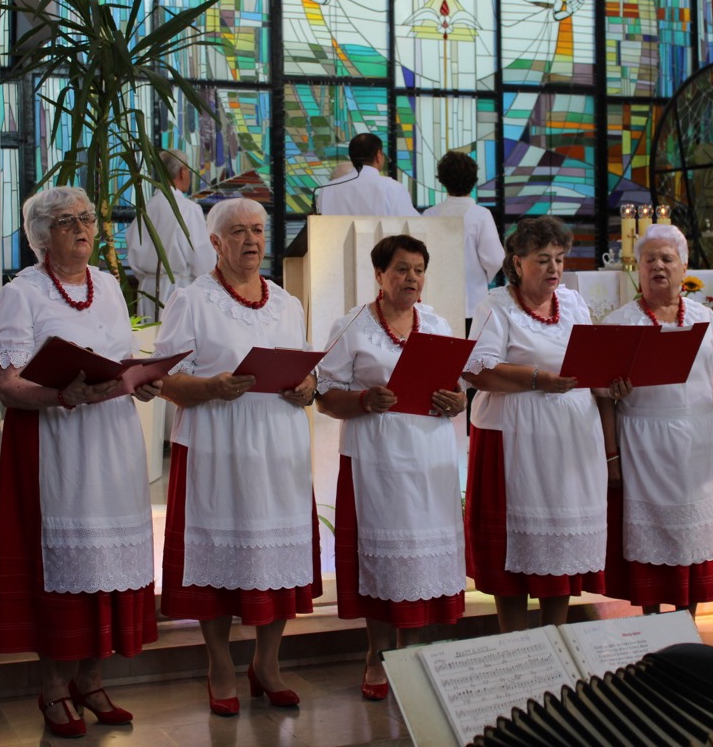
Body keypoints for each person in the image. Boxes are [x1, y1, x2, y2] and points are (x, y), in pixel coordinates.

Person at [0, 186, 161, 738]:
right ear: (41, 236)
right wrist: (61, 397)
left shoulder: (108, 286)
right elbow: (9, 386)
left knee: (107, 566)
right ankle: (55, 686)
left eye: (87, 218)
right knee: (63, 570)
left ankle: (92, 678)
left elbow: (118, 357)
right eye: (67, 221)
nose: (83, 228)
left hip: (110, 438)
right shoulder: (24, 292)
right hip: (57, 444)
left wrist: (140, 380)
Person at [152, 197, 321, 716]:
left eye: (257, 230)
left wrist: (308, 387)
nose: (251, 240)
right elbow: (163, 378)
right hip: (217, 445)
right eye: (239, 232)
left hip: (279, 448)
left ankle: (267, 663)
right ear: (215, 243)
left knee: (278, 562)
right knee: (217, 564)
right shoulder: (192, 300)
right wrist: (212, 387)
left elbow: (307, 371)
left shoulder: (287, 303)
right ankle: (220, 664)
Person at [316, 234, 468, 701]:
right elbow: (323, 395)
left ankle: (414, 655)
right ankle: (377, 657)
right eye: (401, 269)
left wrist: (455, 401)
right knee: (384, 563)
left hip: (431, 459)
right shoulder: (353, 326)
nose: (412, 278)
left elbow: (457, 392)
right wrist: (363, 399)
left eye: (419, 270)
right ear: (379, 275)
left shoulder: (438, 324)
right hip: (376, 461)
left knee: (423, 562)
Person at [462, 216, 628, 633]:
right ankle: (516, 641)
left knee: (562, 546)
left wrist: (611, 383)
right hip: (514, 438)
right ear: (517, 264)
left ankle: (556, 635)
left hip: (571, 439)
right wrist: (538, 379)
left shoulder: (572, 303)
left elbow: (592, 363)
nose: (554, 268)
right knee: (512, 551)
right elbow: (477, 371)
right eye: (543, 260)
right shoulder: (495, 305)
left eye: (560, 258)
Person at [601, 225, 713, 617]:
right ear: (638, 269)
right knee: (651, 543)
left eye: (667, 259)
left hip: (697, 443)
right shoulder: (618, 322)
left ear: (684, 267)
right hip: (643, 443)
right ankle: (651, 627)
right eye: (650, 260)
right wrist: (612, 454)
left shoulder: (703, 317)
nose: (658, 266)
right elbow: (605, 398)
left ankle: (687, 624)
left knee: (693, 538)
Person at [124, 150, 214, 322]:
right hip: (180, 290)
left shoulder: (146, 208)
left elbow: (133, 250)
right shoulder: (188, 209)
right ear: (182, 172)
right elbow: (203, 261)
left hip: (147, 290)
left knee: (149, 344)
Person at [423, 151, 503, 324]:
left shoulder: (429, 214)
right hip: (472, 302)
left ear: (442, 180)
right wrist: (479, 278)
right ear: (474, 180)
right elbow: (496, 259)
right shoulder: (481, 215)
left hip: (436, 301)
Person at [317, 133, 418, 217]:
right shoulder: (392, 188)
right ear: (379, 155)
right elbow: (413, 226)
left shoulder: (327, 190)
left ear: (352, 157)